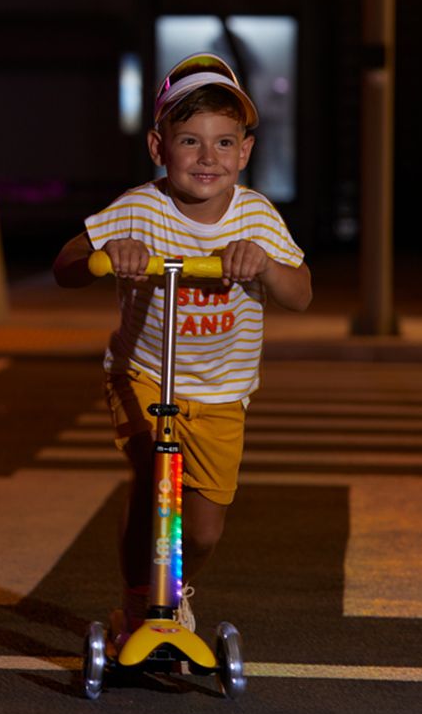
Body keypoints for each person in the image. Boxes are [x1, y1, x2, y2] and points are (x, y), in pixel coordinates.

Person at [52, 52, 312, 648]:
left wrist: (266, 267)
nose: (207, 157)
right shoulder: (141, 207)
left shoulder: (256, 217)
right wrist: (108, 251)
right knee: (154, 479)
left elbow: (300, 294)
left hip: (221, 391)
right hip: (143, 373)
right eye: (190, 140)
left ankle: (174, 589)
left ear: (245, 152)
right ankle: (139, 603)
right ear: (158, 146)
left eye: (224, 143)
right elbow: (66, 264)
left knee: (202, 530)